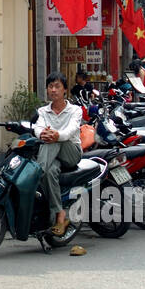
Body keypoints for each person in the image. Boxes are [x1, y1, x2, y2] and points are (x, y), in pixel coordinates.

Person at [31, 74, 83, 237]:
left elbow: (70, 131)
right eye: (50, 86)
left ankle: (35, 175)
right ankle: (59, 213)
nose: (53, 90)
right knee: (50, 172)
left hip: (71, 152)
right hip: (52, 157)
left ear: (65, 90)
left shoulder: (75, 110)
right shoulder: (42, 111)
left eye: (57, 86)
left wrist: (55, 135)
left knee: (55, 141)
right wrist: (42, 135)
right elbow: (38, 128)